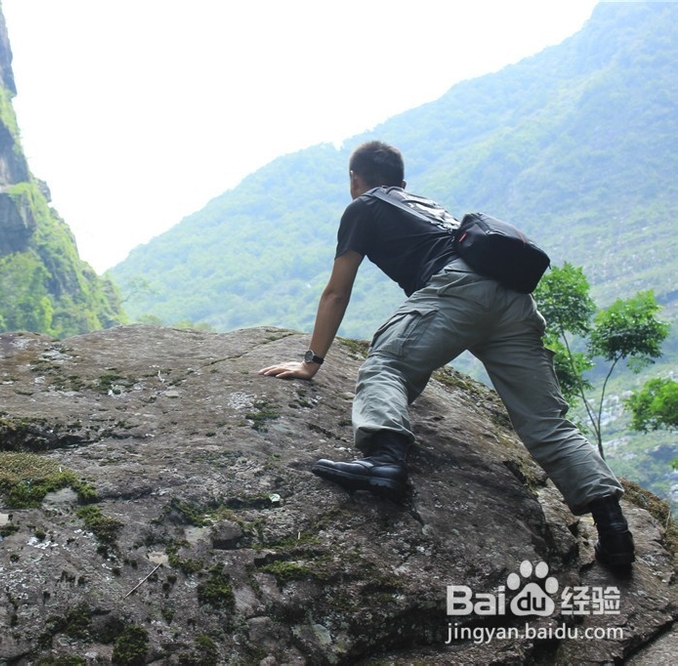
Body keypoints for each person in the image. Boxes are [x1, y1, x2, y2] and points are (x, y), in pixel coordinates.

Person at [259, 140, 635, 570]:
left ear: (354, 178)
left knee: (386, 364)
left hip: (458, 290)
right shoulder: (426, 204)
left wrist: (311, 361)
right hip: (515, 302)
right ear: (403, 182)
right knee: (547, 422)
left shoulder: (363, 206)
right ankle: (616, 533)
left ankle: (383, 463)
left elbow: (337, 290)